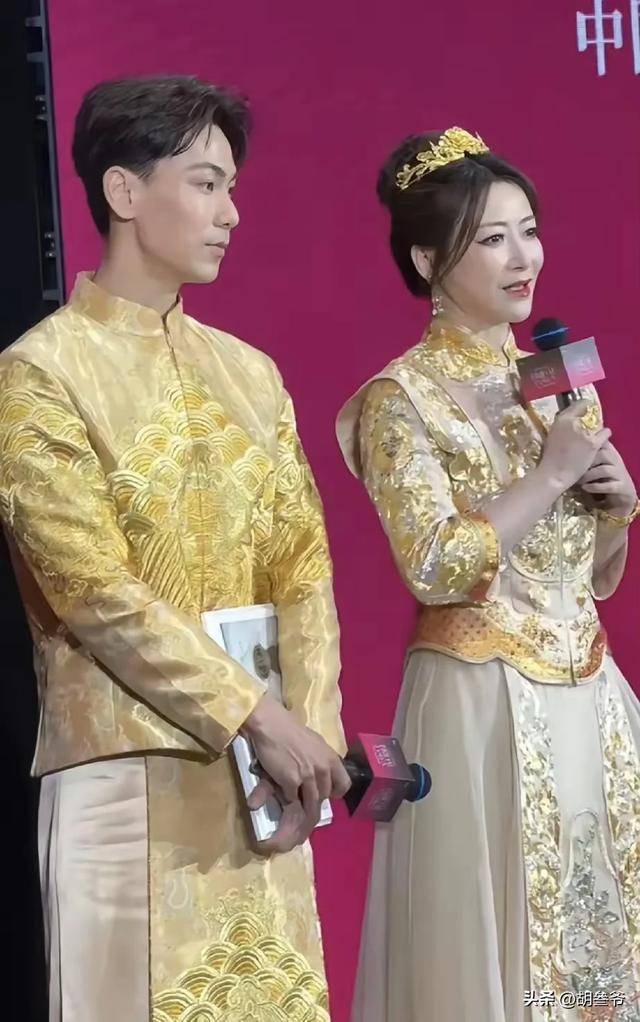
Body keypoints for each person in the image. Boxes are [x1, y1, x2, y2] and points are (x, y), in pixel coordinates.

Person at [0, 75, 349, 1021]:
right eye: (205, 183)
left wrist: (311, 737)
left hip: (265, 787)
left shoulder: (251, 374)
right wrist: (257, 716)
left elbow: (303, 567)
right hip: (128, 779)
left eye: (231, 187)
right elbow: (93, 593)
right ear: (124, 191)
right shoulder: (42, 372)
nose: (230, 213)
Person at [336, 127, 640, 1021]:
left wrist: (617, 505)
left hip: (589, 689)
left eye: (530, 231)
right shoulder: (400, 399)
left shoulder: (556, 376)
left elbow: (593, 574)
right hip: (481, 698)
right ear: (429, 260)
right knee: (490, 944)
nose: (524, 257)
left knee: (599, 938)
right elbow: (433, 564)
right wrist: (548, 476)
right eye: (494, 239)